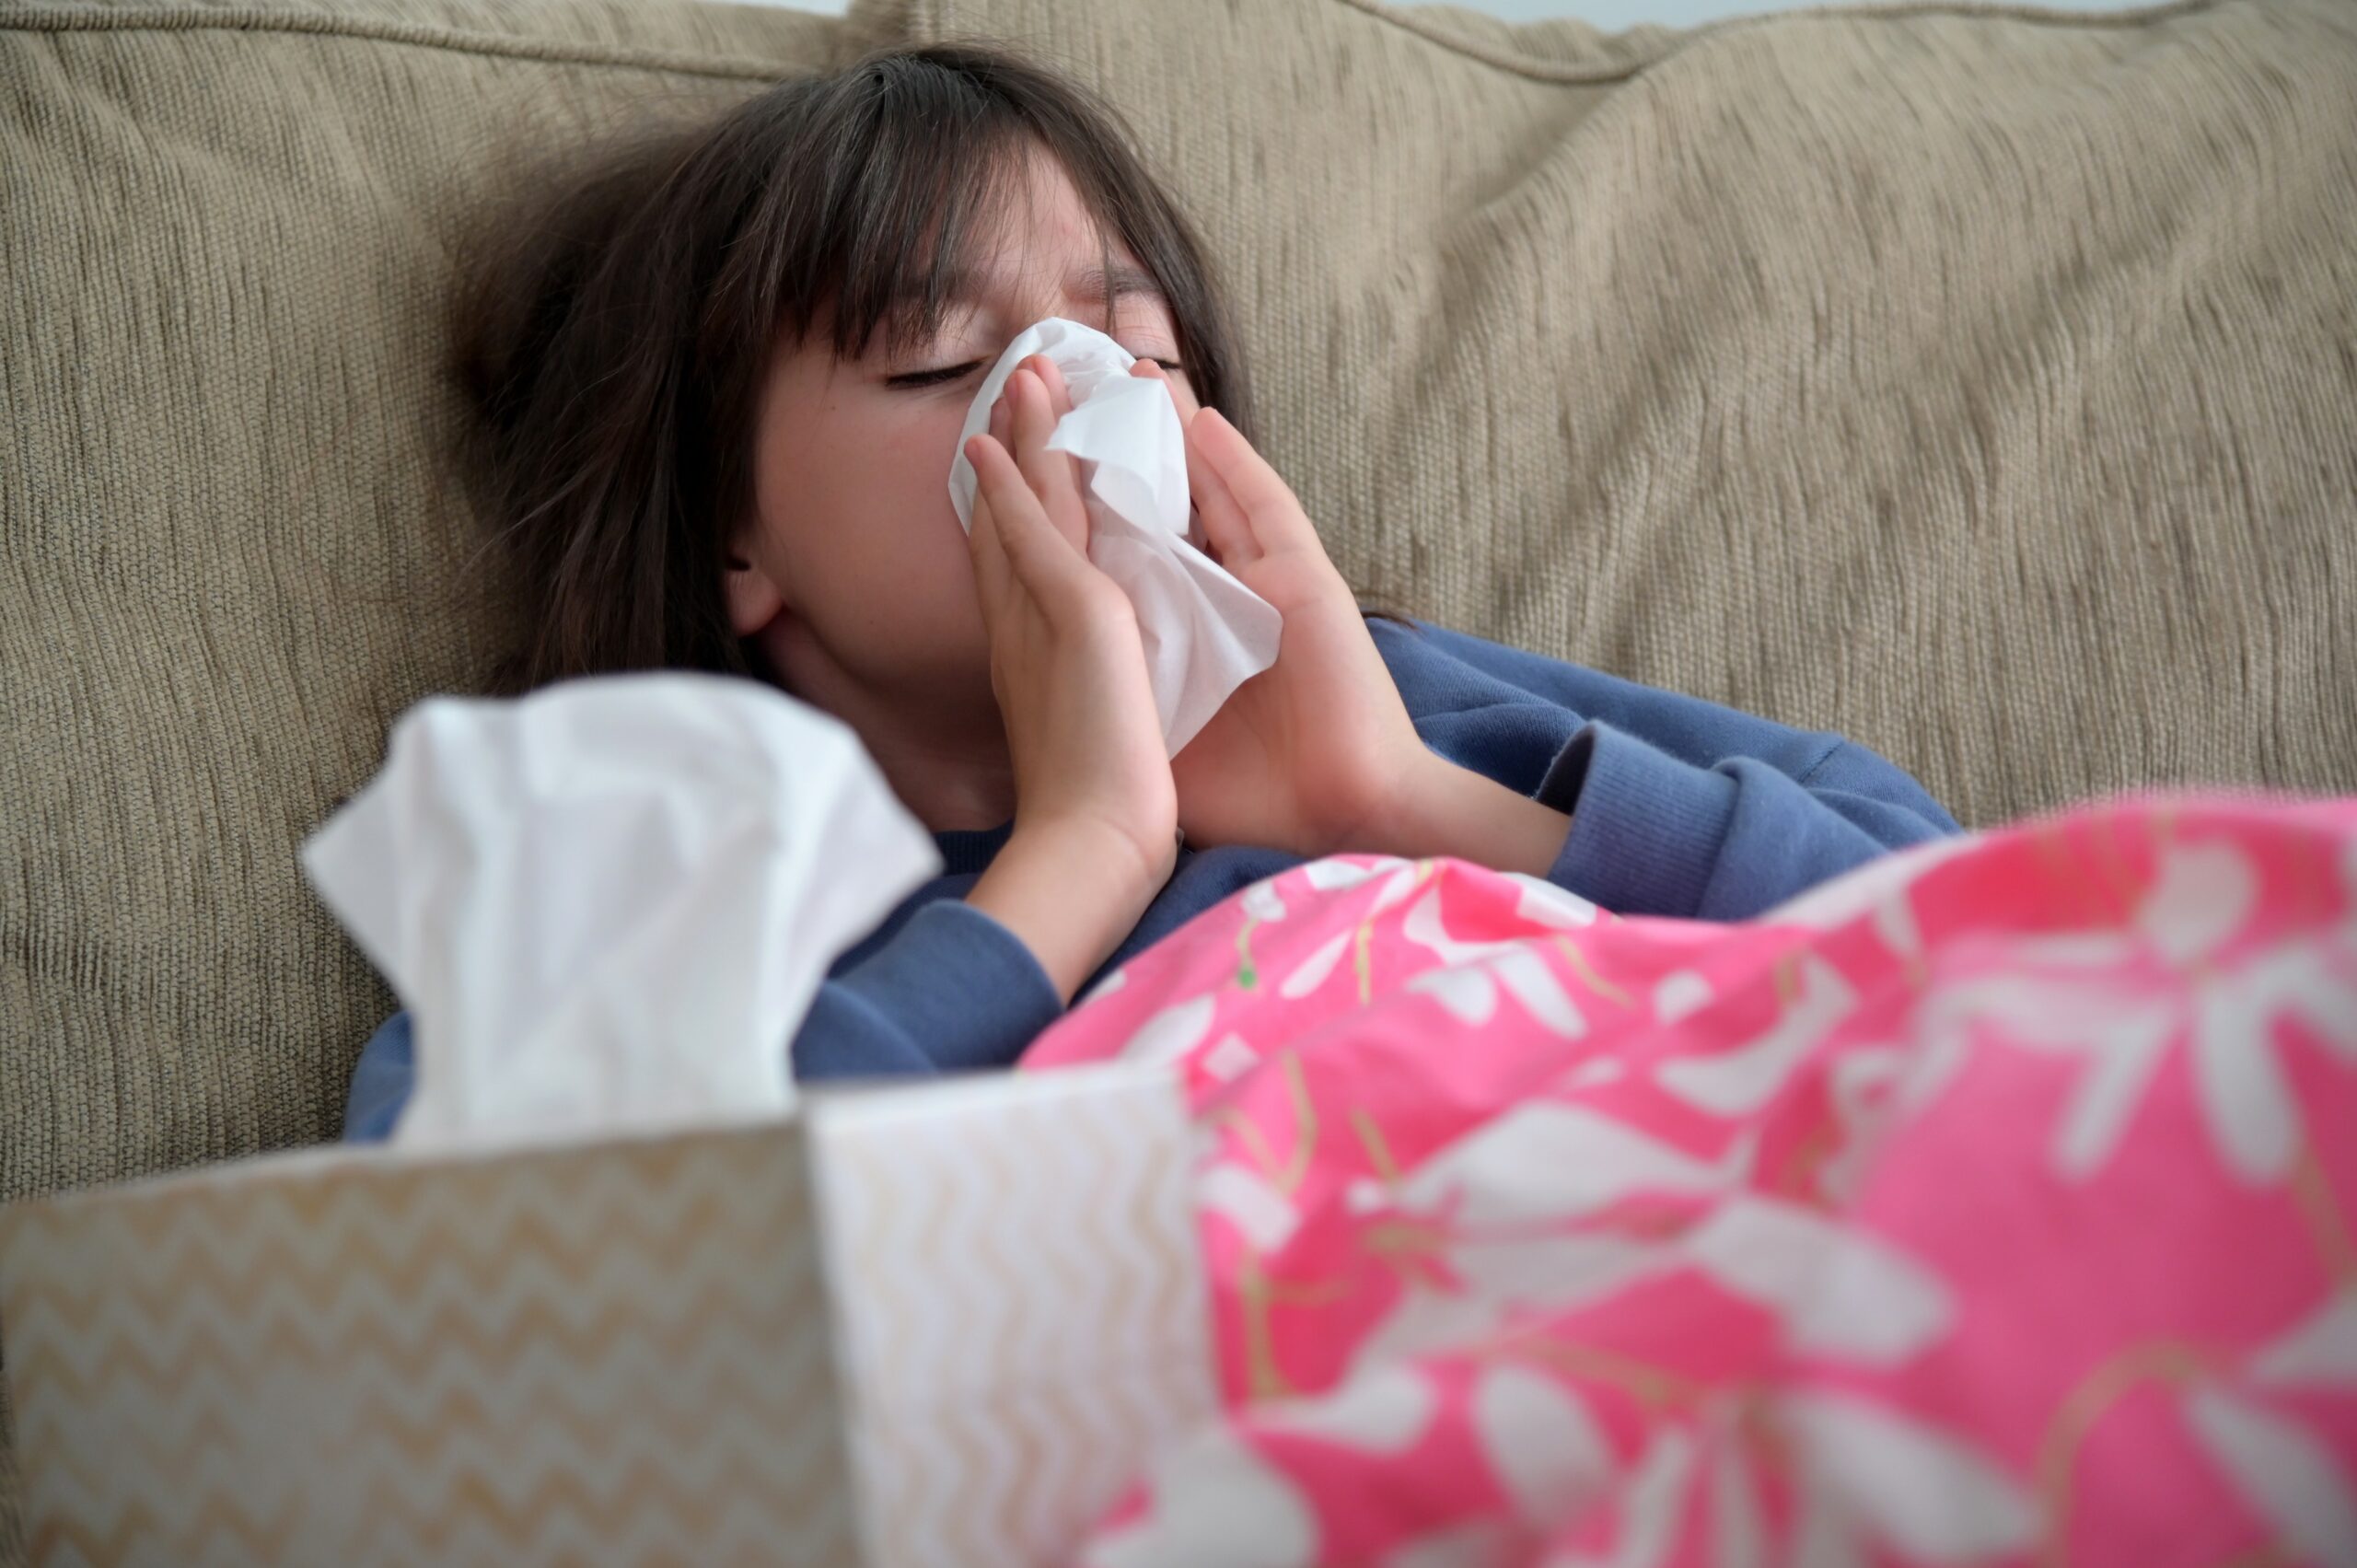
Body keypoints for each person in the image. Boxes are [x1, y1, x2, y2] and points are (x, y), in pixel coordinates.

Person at [343, 44, 1959, 1139]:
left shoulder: (1369, 699)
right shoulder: (662, 887)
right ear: (728, 534)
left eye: (1135, 345)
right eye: (944, 360)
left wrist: (1391, 790)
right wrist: (1077, 860)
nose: (1069, 394)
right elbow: (539, 1286)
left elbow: (1963, 929)